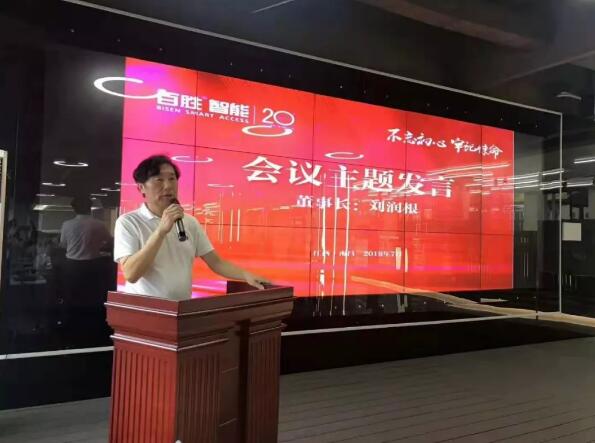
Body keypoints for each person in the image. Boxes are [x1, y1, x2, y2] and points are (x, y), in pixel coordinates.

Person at [114, 155, 269, 300]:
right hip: (145, 310)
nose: (168, 186)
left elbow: (216, 262)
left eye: (172, 179)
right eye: (159, 180)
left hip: (181, 309)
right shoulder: (128, 222)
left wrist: (246, 275)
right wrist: (160, 231)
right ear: (141, 187)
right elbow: (131, 274)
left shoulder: (189, 222)